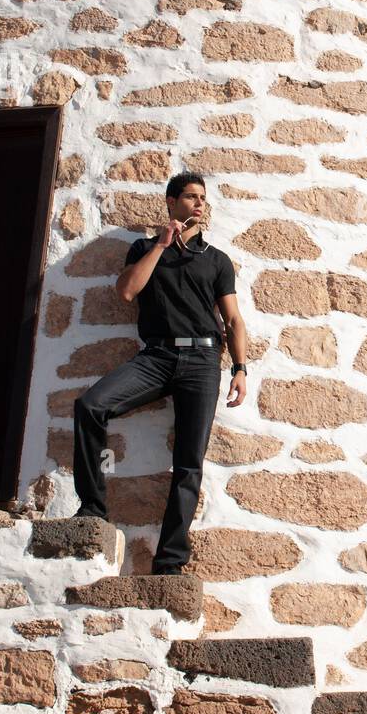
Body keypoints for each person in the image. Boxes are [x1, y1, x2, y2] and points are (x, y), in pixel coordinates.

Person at [72, 172, 247, 574]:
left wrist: (239, 368)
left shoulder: (216, 260)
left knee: (189, 463)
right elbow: (127, 291)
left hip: (203, 363)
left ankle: (169, 561)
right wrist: (162, 245)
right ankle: (94, 507)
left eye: (203, 198)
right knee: (91, 406)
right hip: (156, 358)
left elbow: (233, 319)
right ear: (171, 203)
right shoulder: (144, 248)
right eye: (190, 196)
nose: (199, 204)